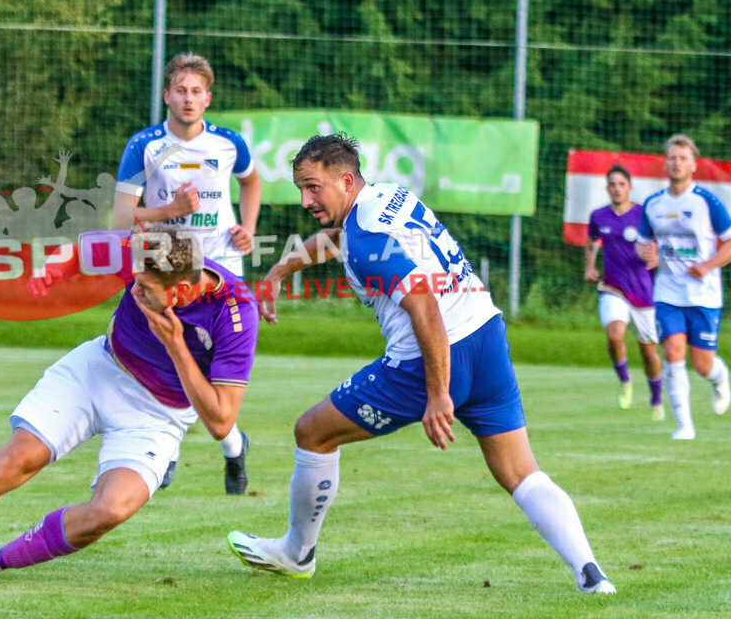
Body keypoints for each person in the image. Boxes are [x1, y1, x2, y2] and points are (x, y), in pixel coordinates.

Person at [227, 134, 615, 594]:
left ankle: (296, 554)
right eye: (300, 188)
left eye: (314, 187)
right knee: (519, 472)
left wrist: (438, 394)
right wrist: (278, 272)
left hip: (427, 357)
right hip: (486, 335)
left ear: (346, 180)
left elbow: (423, 306)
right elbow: (336, 239)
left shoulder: (368, 237)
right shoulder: (388, 196)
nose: (305, 199)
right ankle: (591, 573)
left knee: (312, 432)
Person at [0, 230, 258, 585]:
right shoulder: (146, 249)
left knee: (109, 511)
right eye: (135, 282)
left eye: (146, 290)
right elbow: (81, 248)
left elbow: (222, 422)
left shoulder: (237, 310)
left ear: (182, 293)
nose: (133, 291)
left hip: (158, 415)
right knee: (16, 462)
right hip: (98, 370)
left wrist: (175, 345)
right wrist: (53, 270)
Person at [113, 52, 261, 494]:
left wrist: (248, 228)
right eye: (180, 90)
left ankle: (192, 448)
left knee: (211, 362)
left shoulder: (229, 143)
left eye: (197, 91)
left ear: (208, 98)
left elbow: (251, 181)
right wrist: (169, 210)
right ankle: (225, 448)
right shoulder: (145, 146)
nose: (188, 99)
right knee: (172, 352)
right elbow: (121, 218)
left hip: (221, 265)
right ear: (166, 95)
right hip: (165, 264)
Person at [635, 134, 731, 440]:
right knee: (673, 352)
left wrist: (707, 265)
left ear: (694, 165)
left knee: (702, 364)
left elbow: (729, 243)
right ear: (666, 163)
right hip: (668, 293)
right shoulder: (654, 204)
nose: (677, 163)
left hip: (704, 294)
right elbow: (642, 245)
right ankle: (684, 425)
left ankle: (719, 378)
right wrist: (646, 253)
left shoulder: (706, 201)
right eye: (672, 157)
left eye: (683, 158)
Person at [584, 166, 664, 418]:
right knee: (615, 336)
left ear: (630, 187)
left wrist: (657, 257)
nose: (617, 188)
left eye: (621, 184)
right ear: (607, 188)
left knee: (649, 352)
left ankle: (656, 400)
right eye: (612, 184)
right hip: (612, 288)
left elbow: (661, 243)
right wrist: (589, 267)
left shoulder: (644, 214)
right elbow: (591, 241)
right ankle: (626, 381)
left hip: (643, 292)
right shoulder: (599, 216)